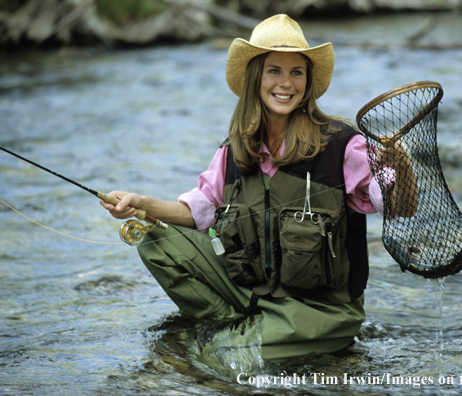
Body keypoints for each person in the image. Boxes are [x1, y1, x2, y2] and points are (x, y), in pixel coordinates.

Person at [100, 14, 417, 363]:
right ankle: (236, 322)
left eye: (297, 72)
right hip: (255, 292)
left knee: (222, 357)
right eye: (274, 71)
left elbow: (399, 206)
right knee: (154, 239)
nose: (286, 83)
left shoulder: (344, 145)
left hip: (325, 310)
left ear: (308, 82)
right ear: (255, 79)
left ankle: (249, 336)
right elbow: (200, 209)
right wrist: (140, 202)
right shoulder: (235, 149)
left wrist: (400, 164)